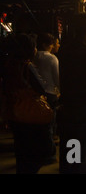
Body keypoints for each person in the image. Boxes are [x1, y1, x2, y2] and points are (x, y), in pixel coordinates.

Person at [1, 33, 56, 173]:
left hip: (15, 112)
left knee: (22, 152)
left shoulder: (8, 65)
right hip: (30, 113)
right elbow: (40, 88)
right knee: (35, 155)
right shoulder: (27, 66)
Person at [57, 12, 86, 174]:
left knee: (70, 142)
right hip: (83, 106)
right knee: (80, 144)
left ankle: (69, 169)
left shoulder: (64, 50)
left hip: (67, 104)